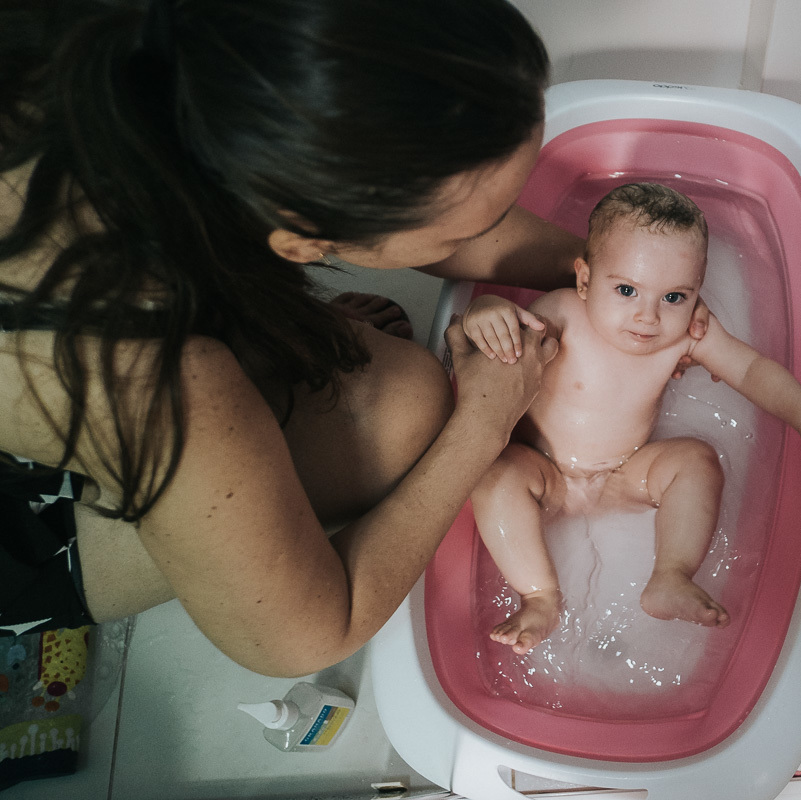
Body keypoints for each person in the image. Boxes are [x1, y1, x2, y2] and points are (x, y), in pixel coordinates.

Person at [0, 0, 585, 677]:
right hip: (20, 520)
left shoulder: (210, 44)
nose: (490, 228)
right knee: (403, 410)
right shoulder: (144, 369)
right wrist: (483, 422)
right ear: (305, 240)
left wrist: (612, 265)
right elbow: (301, 636)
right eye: (461, 231)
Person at [462, 182, 801, 656]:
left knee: (696, 460)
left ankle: (671, 574)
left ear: (697, 292)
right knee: (495, 474)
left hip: (624, 474)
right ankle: (539, 595)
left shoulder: (688, 335)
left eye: (674, 297)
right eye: (627, 289)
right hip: (543, 470)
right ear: (585, 280)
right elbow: (500, 347)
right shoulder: (560, 315)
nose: (648, 317)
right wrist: (484, 313)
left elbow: (751, 370)